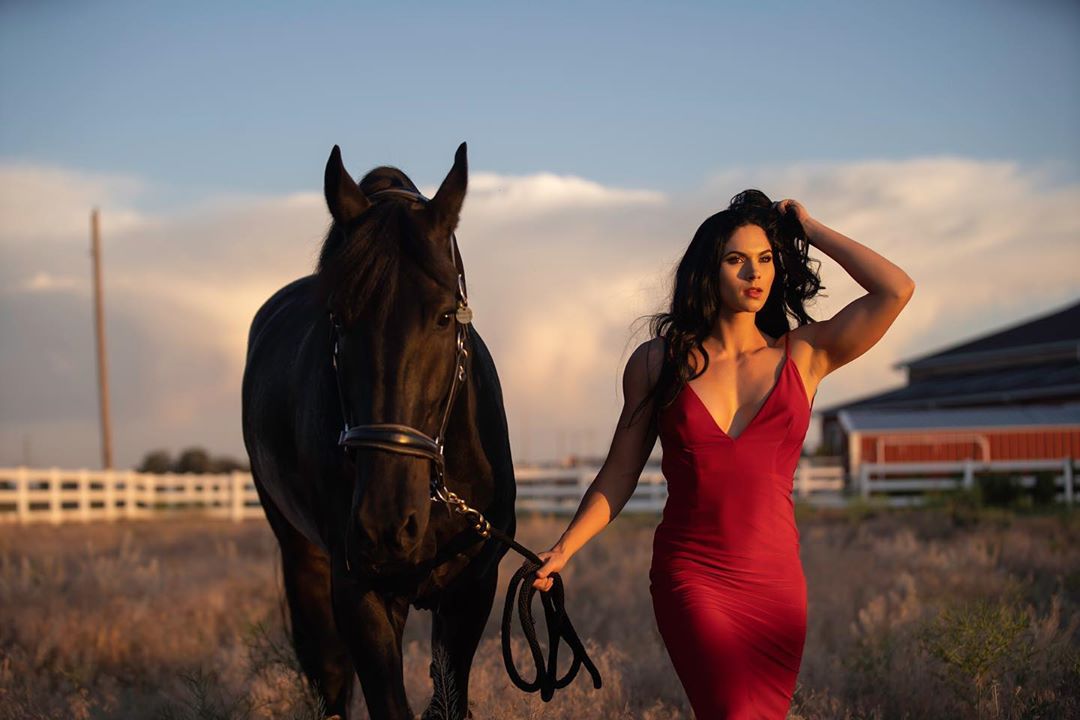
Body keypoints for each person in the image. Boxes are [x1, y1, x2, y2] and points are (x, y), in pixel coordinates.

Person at [528, 189, 915, 718]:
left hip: (777, 586)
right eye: (736, 260)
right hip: (693, 575)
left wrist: (809, 229)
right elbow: (619, 473)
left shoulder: (804, 355)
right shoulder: (657, 362)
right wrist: (564, 548)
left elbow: (896, 290)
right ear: (707, 271)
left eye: (764, 260)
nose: (753, 274)